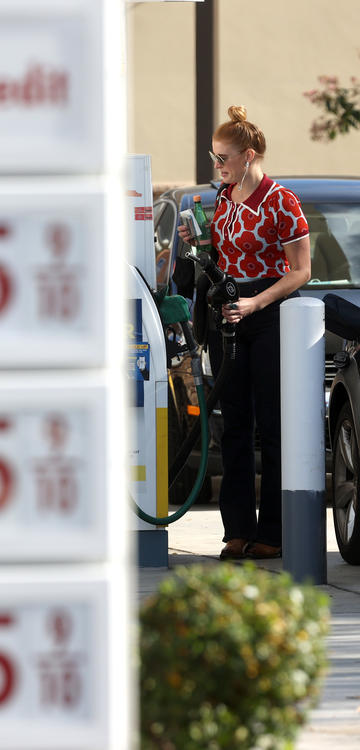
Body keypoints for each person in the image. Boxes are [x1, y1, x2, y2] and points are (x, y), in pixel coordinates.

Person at [177, 105, 311, 561]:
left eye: (223, 158)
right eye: (215, 157)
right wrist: (198, 244)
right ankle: (237, 530)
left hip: (269, 312)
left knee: (272, 424)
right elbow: (224, 254)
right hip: (228, 314)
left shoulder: (281, 201)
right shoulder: (224, 198)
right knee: (233, 422)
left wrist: (257, 302)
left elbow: (301, 271)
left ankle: (272, 531)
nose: (217, 165)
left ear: (248, 154)